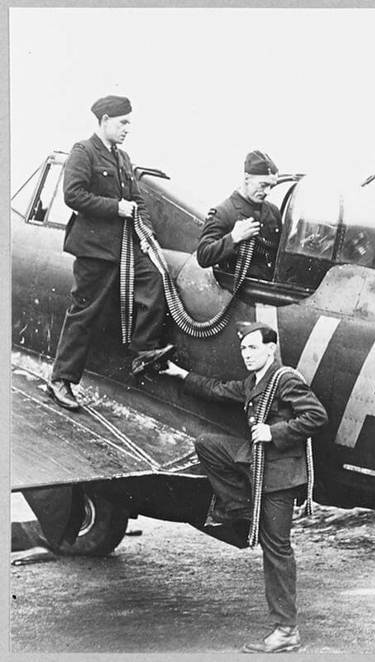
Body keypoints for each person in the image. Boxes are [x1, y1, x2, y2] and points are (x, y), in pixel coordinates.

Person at [161, 321, 327, 653]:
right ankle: (237, 507)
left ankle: (286, 630)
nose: (247, 354)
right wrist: (181, 375)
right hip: (258, 462)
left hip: (279, 476)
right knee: (208, 444)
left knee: (277, 549)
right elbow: (219, 389)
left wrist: (273, 433)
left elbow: (316, 416)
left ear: (271, 349)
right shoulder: (254, 382)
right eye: (243, 349)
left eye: (253, 348)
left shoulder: (285, 379)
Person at [47, 95, 172, 410]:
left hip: (126, 249)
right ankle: (60, 380)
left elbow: (137, 201)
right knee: (84, 313)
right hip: (94, 249)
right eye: (123, 122)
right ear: (104, 120)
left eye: (129, 122)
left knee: (155, 276)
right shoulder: (83, 151)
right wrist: (116, 207)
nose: (128, 128)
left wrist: (147, 236)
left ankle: (143, 351)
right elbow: (73, 195)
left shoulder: (123, 158)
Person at [197, 151, 282, 281]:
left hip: (269, 291)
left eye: (271, 186)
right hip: (238, 293)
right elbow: (203, 256)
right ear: (247, 178)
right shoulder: (223, 212)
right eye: (263, 185)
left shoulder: (273, 211)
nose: (267, 192)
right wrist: (233, 238)